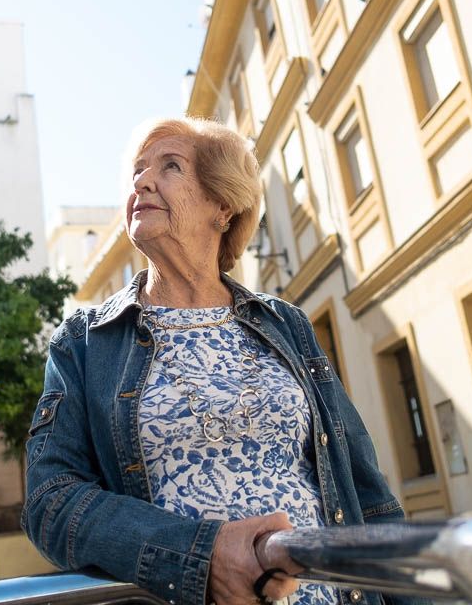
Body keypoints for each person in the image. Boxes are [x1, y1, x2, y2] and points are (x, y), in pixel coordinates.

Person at [24, 118, 409, 605]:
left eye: (171, 167)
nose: (142, 181)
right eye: (138, 170)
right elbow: (50, 501)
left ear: (222, 206)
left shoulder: (287, 325)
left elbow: (367, 495)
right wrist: (199, 555)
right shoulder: (85, 341)